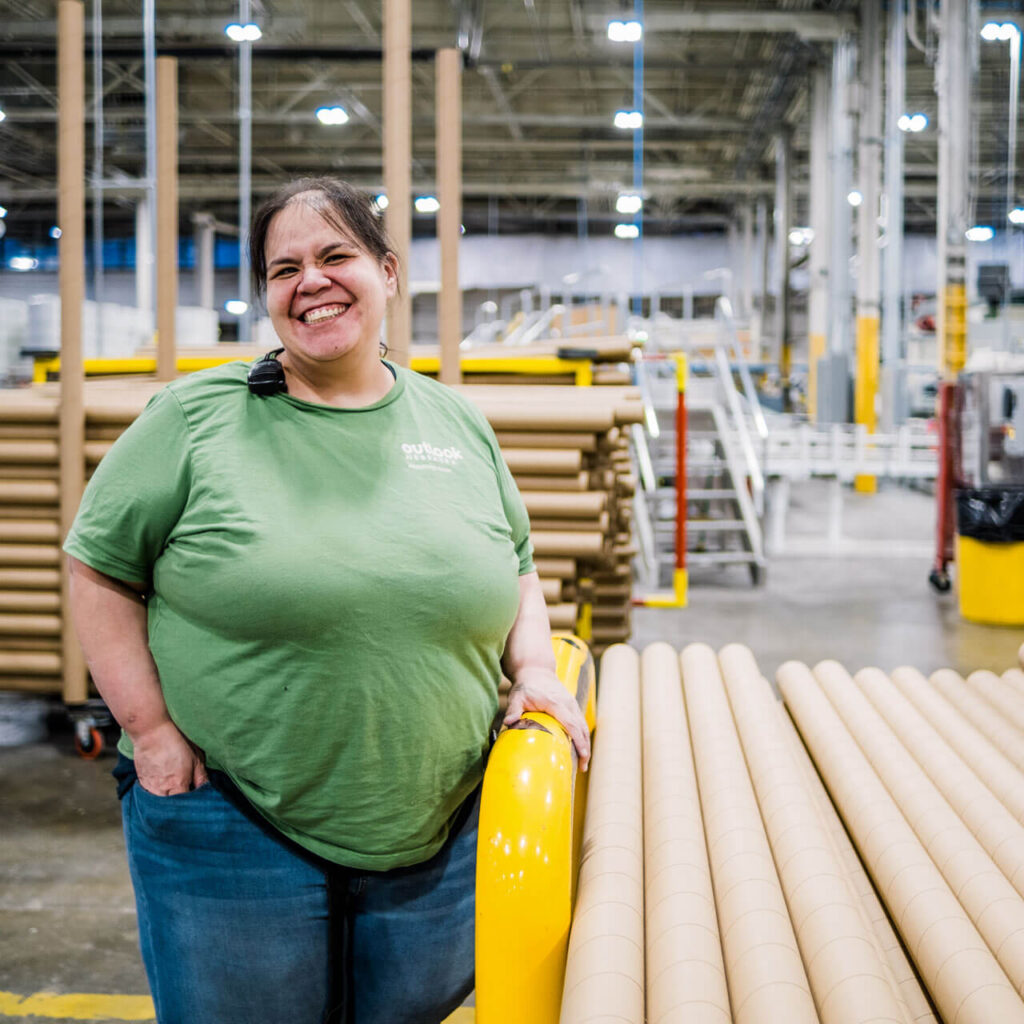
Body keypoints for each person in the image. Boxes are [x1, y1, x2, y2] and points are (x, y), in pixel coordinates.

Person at [64, 176, 591, 1024]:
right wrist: (151, 730)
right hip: (231, 819)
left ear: (386, 273)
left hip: (437, 824)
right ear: (268, 294)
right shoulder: (196, 420)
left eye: (335, 255)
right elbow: (99, 570)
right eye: (284, 268)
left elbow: (517, 566)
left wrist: (533, 667)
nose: (311, 281)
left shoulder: (456, 426)